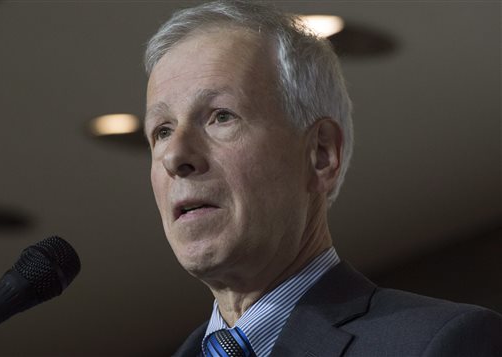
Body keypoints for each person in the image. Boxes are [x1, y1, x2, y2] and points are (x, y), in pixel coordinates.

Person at [142, 1, 502, 356]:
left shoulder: (440, 344)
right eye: (162, 131)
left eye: (221, 116)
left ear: (321, 154)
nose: (175, 156)